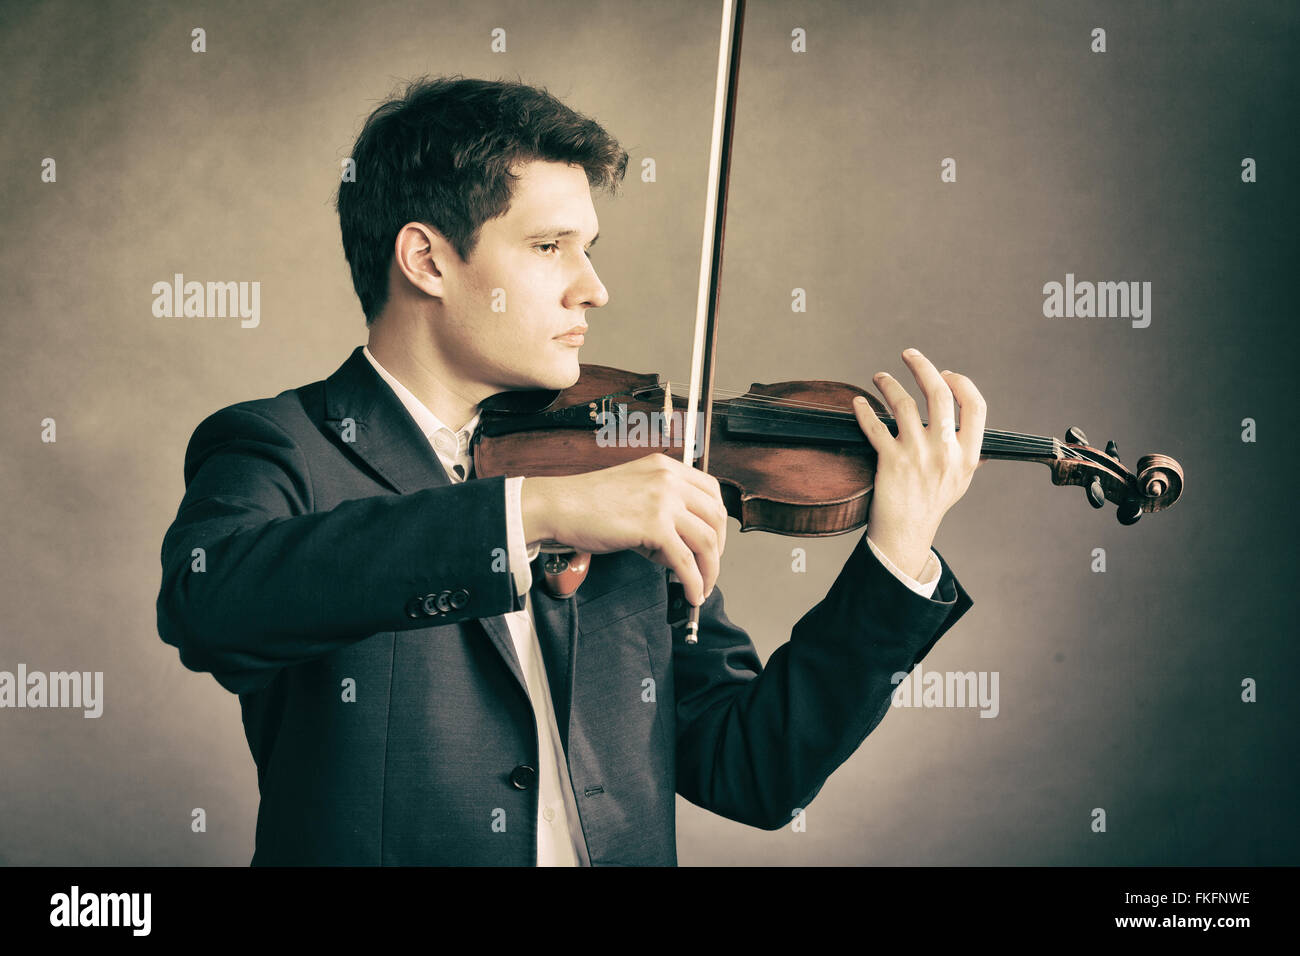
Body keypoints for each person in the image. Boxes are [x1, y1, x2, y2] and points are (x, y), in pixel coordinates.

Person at [155, 76, 984, 866]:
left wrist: (898, 551)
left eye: (587, 249)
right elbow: (211, 604)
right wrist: (533, 513)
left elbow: (753, 770)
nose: (594, 289)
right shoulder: (282, 444)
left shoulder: (617, 461)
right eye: (551, 247)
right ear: (427, 260)